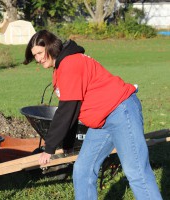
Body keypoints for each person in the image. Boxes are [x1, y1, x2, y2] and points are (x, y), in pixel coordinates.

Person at [23, 30, 162, 200]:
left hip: (121, 111)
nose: (37, 59)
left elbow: (66, 110)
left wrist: (49, 148)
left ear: (50, 47)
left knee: (136, 171)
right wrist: (67, 143)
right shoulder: (61, 68)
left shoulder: (70, 64)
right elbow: (73, 108)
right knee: (83, 169)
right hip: (102, 121)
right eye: (34, 55)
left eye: (39, 53)